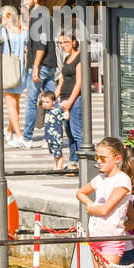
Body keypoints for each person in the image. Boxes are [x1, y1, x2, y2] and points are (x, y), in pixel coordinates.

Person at [77, 136, 134, 268]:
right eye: (97, 158)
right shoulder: (100, 179)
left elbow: (105, 209)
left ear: (117, 158)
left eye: (103, 157)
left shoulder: (122, 181)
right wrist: (92, 204)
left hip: (112, 239)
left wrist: (93, 208)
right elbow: (80, 192)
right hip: (96, 238)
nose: (99, 162)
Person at [21, 0, 57, 143]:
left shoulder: (39, 16)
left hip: (41, 65)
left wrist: (35, 66)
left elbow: (41, 45)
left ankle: (27, 138)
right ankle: (52, 135)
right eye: (22, 0)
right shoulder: (40, 16)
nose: (23, 2)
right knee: (52, 100)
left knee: (31, 101)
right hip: (48, 64)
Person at [1, 6, 29, 147]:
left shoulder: (2, 32)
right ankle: (9, 131)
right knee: (15, 103)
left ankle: (19, 136)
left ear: (8, 16)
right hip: (20, 71)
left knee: (10, 105)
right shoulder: (23, 33)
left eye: (2, 16)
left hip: (8, 72)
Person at [55, 32, 83, 168]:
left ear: (73, 41)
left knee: (77, 131)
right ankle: (74, 161)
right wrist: (55, 94)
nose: (63, 45)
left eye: (65, 42)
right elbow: (63, 79)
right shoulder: (67, 58)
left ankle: (83, 161)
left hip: (75, 99)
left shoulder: (79, 57)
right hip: (64, 97)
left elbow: (79, 82)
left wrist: (70, 102)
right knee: (69, 132)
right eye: (60, 43)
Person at [39, 89, 67, 171]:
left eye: (47, 102)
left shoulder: (56, 111)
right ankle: (56, 166)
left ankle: (59, 167)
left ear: (53, 102)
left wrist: (66, 111)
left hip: (56, 136)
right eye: (43, 102)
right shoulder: (47, 111)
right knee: (55, 153)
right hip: (50, 136)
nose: (44, 104)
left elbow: (64, 116)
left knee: (58, 153)